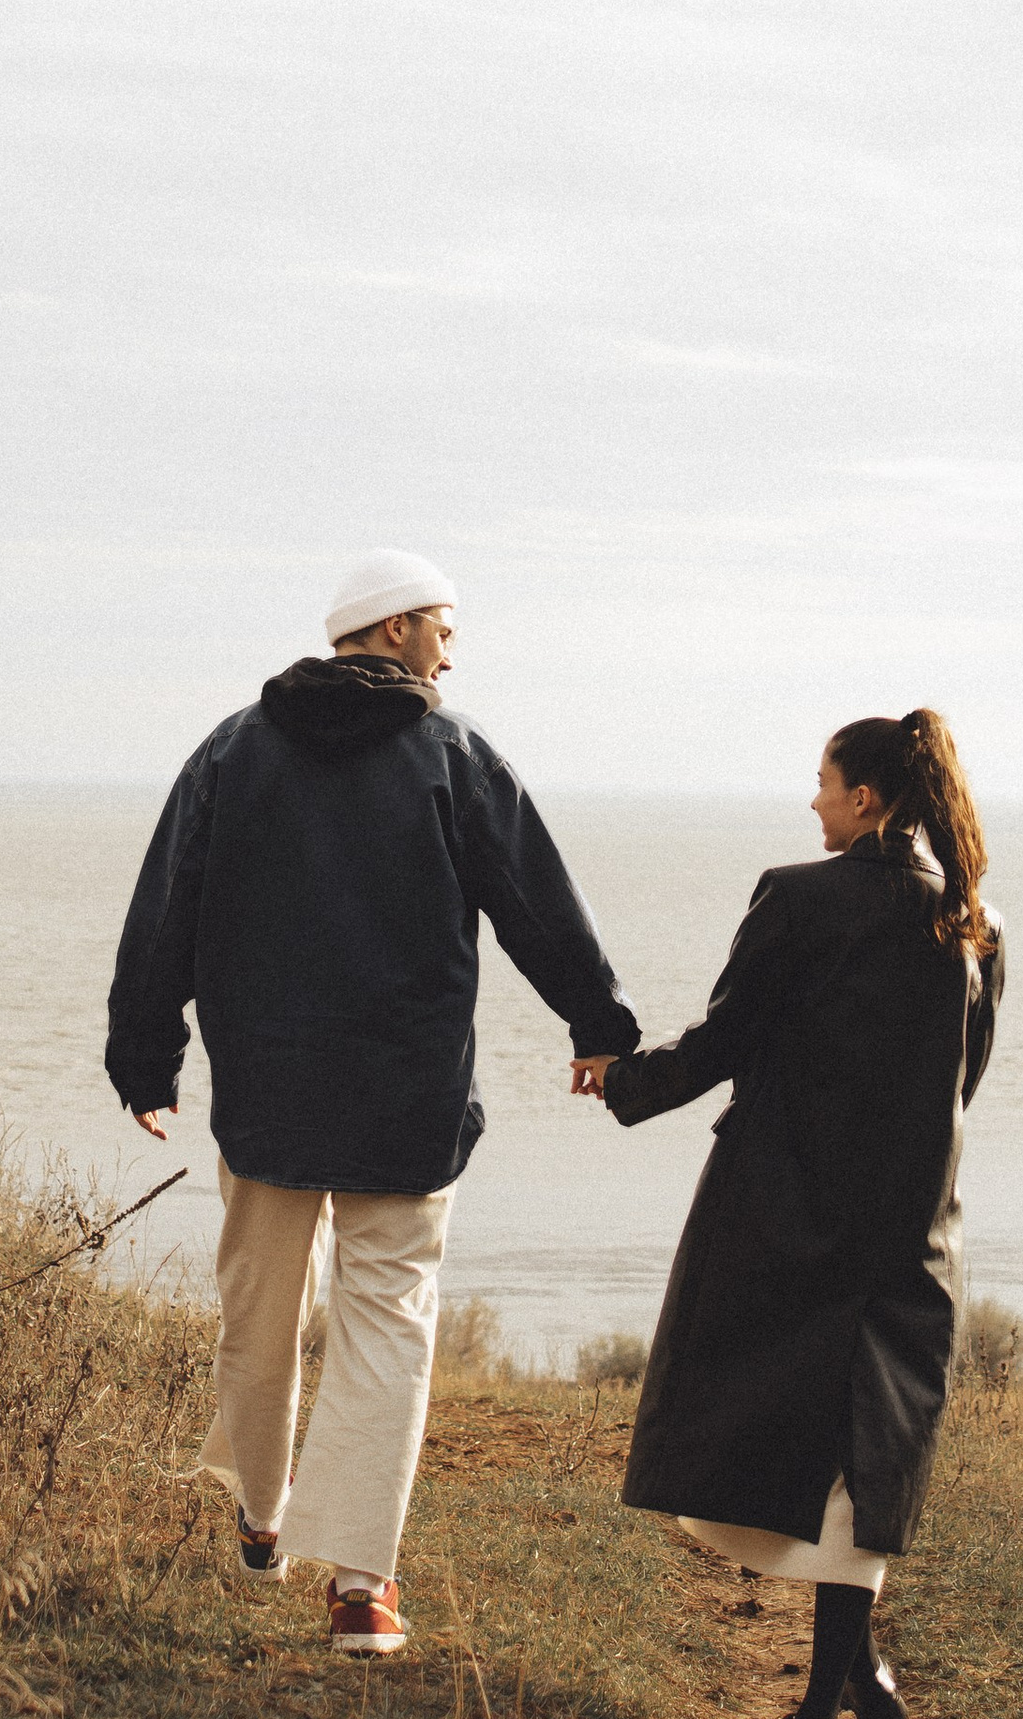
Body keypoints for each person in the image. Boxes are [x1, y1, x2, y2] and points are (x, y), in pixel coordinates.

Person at [106, 548, 639, 1655]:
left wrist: (145, 1058)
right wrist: (598, 1026)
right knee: (387, 1320)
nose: (454, 644)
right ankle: (360, 1584)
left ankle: (260, 1513)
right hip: (407, 1092)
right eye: (443, 624)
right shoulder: (452, 755)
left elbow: (166, 906)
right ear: (392, 630)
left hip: (269, 1090)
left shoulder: (232, 750)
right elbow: (535, 901)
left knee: (258, 1306)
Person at [581, 708, 1004, 1719]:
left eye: (822, 779)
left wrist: (621, 1079)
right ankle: (845, 1679)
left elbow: (729, 1037)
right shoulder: (971, 923)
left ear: (866, 796)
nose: (811, 797)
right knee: (870, 1453)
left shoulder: (798, 897)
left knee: (760, 1418)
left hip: (783, 1205)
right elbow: (966, 1079)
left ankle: (819, 1707)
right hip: (911, 1223)